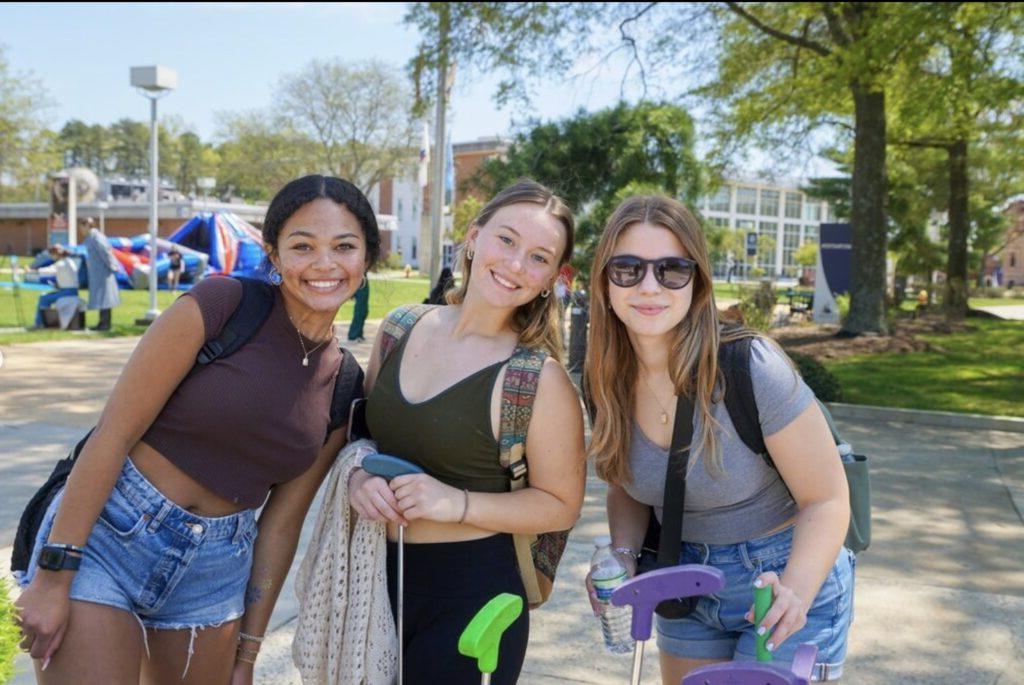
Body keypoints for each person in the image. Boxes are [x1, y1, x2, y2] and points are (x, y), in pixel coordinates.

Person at [14, 174, 380, 685]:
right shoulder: (223, 305)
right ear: (273, 254)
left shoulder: (345, 385)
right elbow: (111, 436)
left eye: (344, 246)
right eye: (303, 246)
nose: (324, 264)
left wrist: (247, 655)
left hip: (215, 569)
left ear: (367, 259)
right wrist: (54, 576)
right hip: (108, 536)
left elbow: (280, 524)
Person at [583, 196, 853, 683]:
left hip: (782, 578)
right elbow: (625, 483)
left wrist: (795, 589)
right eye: (627, 269)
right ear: (604, 282)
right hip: (680, 578)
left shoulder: (750, 365)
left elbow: (828, 498)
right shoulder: (604, 380)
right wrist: (622, 555)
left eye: (671, 269)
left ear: (697, 282)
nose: (649, 286)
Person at [348, 179, 587, 684]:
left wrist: (454, 503)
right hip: (371, 577)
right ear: (474, 238)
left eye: (539, 257)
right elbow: (363, 440)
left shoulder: (537, 379)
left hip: (474, 596)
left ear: (551, 279)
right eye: (506, 240)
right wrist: (356, 480)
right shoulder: (399, 328)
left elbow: (560, 504)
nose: (516, 264)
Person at [33, 245, 80, 329]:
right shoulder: (70, 262)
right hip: (73, 292)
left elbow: (48, 270)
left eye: (52, 254)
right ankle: (43, 322)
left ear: (56, 254)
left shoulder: (60, 264)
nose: (51, 257)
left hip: (66, 293)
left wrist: (32, 270)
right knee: (47, 297)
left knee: (43, 299)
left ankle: (39, 323)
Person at [83, 227, 121, 331]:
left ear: (85, 225)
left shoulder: (97, 238)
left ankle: (105, 324)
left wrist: (112, 266)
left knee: (105, 298)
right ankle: (102, 323)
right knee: (102, 298)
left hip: (104, 273)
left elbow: (106, 253)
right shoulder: (90, 238)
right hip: (97, 273)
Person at [347, 276, 370, 342]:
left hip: (363, 280)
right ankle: (353, 335)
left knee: (364, 311)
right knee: (360, 312)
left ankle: (359, 334)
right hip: (360, 281)